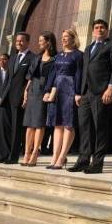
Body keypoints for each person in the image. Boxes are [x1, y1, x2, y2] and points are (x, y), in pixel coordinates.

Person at [68, 20, 112, 174]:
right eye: (96, 28)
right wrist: (78, 92)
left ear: (107, 31)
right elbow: (83, 71)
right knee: (85, 128)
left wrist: (110, 87)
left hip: (101, 92)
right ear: (92, 31)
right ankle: (83, 160)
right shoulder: (88, 48)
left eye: (102, 28)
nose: (99, 30)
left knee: (100, 128)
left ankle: (97, 163)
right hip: (85, 93)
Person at [44, 29, 83, 169]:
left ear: (73, 39)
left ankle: (62, 157)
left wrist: (78, 92)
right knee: (57, 124)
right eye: (62, 37)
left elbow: (79, 74)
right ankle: (54, 156)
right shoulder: (58, 55)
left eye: (67, 37)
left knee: (68, 124)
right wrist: (48, 90)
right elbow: (52, 74)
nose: (64, 39)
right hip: (57, 90)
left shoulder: (78, 55)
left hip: (70, 89)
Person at [0, 32, 34, 164]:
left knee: (16, 129)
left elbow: (30, 80)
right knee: (3, 127)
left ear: (27, 42)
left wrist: (26, 97)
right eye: (17, 41)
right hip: (6, 97)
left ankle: (13, 156)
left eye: (22, 41)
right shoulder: (13, 58)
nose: (19, 43)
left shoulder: (32, 58)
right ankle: (3, 154)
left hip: (20, 98)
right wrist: (2, 95)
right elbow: (8, 79)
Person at [21, 32, 56, 166]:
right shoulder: (37, 57)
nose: (39, 43)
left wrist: (50, 92)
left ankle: (35, 153)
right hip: (33, 90)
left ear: (48, 42)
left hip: (44, 91)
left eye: (41, 40)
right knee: (30, 124)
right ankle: (26, 153)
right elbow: (30, 76)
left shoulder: (55, 58)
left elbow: (54, 78)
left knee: (39, 124)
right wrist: (25, 91)